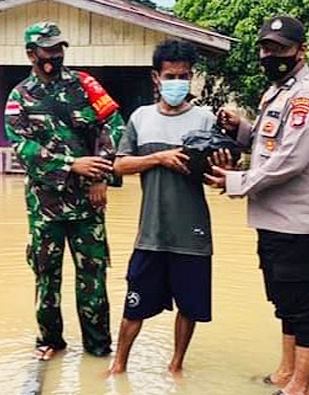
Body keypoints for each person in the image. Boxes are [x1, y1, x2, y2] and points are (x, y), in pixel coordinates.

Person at [205, 16, 309, 395]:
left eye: (279, 49)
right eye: (266, 48)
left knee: (305, 308)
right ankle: (285, 371)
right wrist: (242, 129)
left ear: (301, 50)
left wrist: (236, 182)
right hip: (276, 222)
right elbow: (270, 145)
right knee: (285, 302)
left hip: (301, 225)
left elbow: (291, 161)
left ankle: (299, 386)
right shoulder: (276, 92)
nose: (270, 55)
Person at [4, 21, 125, 361]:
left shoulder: (86, 86)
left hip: (89, 201)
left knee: (94, 277)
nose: (55, 56)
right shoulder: (19, 98)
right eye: (48, 50)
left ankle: (99, 349)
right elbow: (21, 148)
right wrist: (71, 164)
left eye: (59, 49)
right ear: (31, 54)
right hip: (45, 206)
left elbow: (113, 127)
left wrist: (101, 175)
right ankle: (50, 342)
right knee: (46, 276)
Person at [108, 39, 216, 376]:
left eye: (183, 76)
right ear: (156, 77)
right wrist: (159, 158)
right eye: (170, 76)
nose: (176, 83)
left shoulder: (205, 119)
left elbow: (219, 173)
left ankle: (176, 366)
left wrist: (219, 166)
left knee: (190, 306)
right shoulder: (141, 118)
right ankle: (118, 367)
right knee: (134, 305)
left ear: (191, 77)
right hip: (151, 233)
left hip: (193, 232)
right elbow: (119, 165)